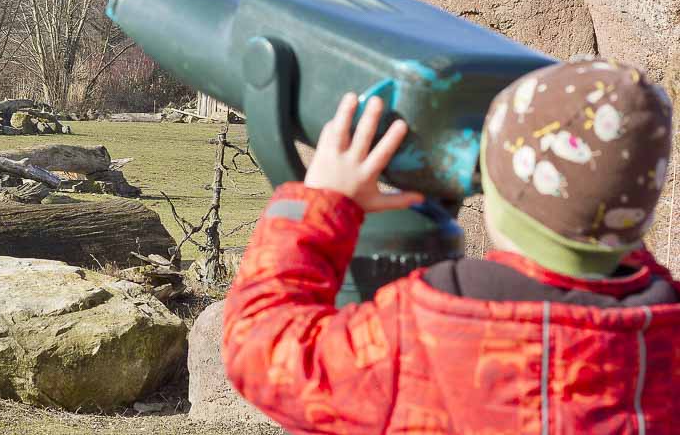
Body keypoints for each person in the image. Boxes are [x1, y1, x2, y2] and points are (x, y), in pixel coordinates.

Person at [223, 59, 678, 433]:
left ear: (493, 186)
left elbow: (264, 349)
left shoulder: (423, 334)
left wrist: (321, 204)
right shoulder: (665, 339)